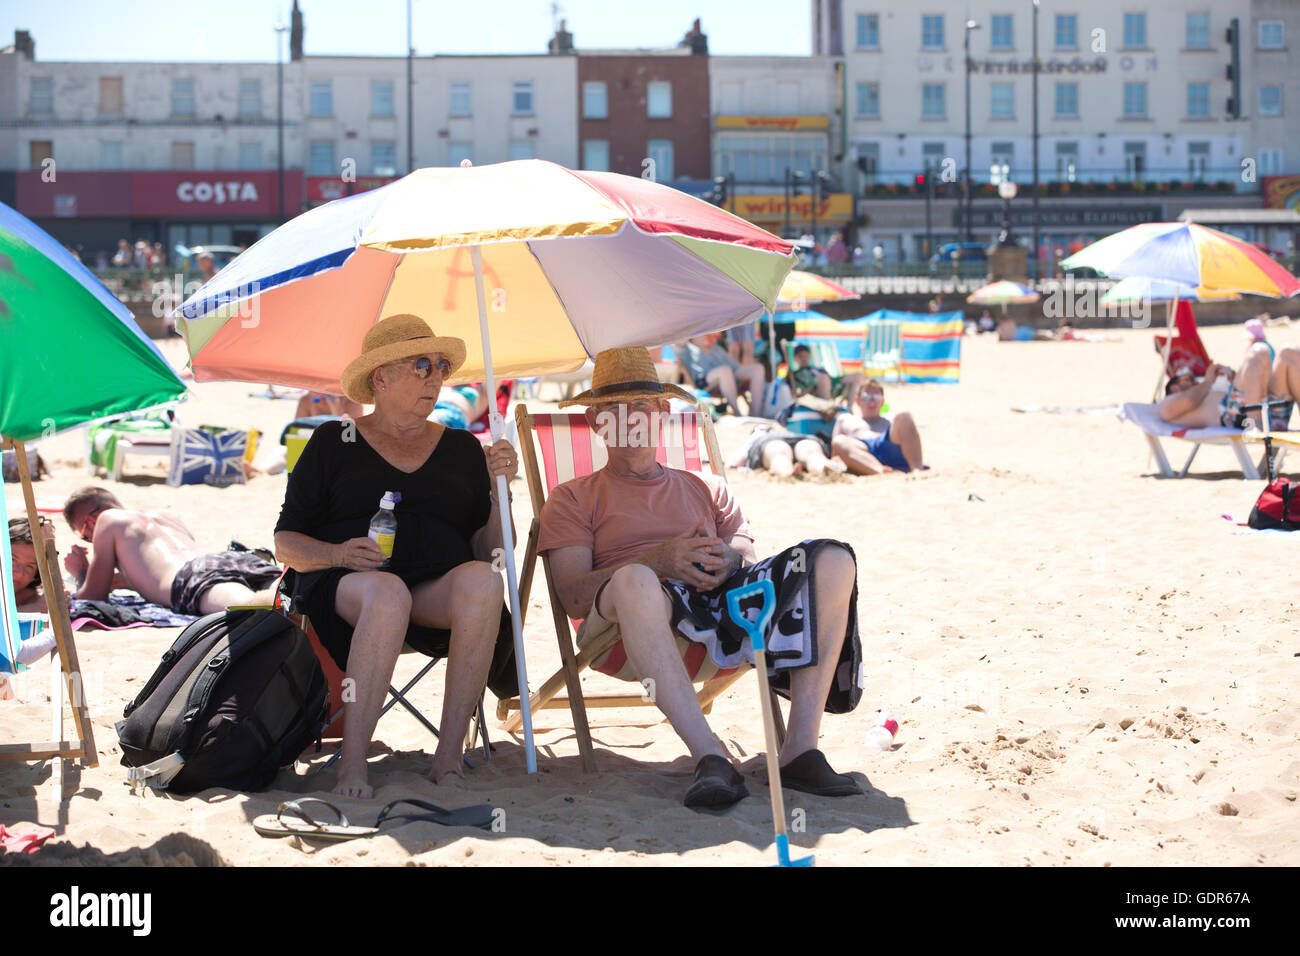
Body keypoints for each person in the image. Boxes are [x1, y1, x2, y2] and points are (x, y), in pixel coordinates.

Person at [538, 347, 863, 809]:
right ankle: (709, 754)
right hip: (626, 629)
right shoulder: (573, 498)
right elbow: (571, 596)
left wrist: (726, 563)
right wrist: (660, 560)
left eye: (643, 408)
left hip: (723, 620)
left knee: (830, 560)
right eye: (615, 411)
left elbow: (747, 556)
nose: (631, 419)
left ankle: (799, 750)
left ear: (664, 413)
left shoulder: (705, 486)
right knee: (635, 580)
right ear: (596, 422)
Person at [274, 314, 518, 798]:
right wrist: (340, 553)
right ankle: (353, 767)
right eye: (421, 365)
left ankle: (448, 761)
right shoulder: (333, 442)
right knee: (387, 593)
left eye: (442, 366)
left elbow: (490, 556)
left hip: (433, 590)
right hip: (349, 587)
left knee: (485, 584)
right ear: (380, 379)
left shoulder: (463, 448)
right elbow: (286, 544)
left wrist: (498, 494)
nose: (436, 378)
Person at [62, 488, 281, 613]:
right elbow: (152, 573)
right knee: (291, 597)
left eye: (83, 535)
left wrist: (82, 572)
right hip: (229, 560)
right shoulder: (164, 516)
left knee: (250, 609)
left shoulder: (107, 520)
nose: (89, 539)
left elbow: (93, 597)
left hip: (190, 578)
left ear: (90, 522)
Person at [1158, 339, 1300, 432]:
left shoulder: (1203, 391)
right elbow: (1189, 400)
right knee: (1259, 351)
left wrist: (1236, 379)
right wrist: (1208, 381)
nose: (1194, 380)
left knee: (1289, 353)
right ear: (1174, 387)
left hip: (1270, 410)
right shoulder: (1168, 404)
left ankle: (1259, 424)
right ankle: (1256, 427)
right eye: (1188, 379)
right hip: (1242, 419)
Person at [830, 380, 925, 475]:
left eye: (877, 397)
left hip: (888, 444)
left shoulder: (890, 419)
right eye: (866, 397)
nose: (871, 401)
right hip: (861, 451)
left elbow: (910, 434)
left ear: (882, 402)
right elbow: (835, 455)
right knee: (839, 441)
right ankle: (881, 471)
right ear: (857, 401)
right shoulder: (846, 420)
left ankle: (917, 469)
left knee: (904, 414)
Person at [678, 335, 767, 417]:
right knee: (725, 370)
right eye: (700, 333)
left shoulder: (716, 348)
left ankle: (756, 413)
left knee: (758, 368)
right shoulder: (688, 350)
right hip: (705, 380)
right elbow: (678, 342)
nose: (703, 335)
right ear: (692, 337)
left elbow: (735, 367)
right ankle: (738, 413)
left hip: (729, 374)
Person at [727, 423, 845, 477]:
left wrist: (736, 467)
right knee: (811, 453)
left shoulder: (754, 439)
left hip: (767, 442)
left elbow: (733, 463)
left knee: (779, 454)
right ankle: (823, 467)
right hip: (800, 438)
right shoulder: (784, 430)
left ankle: (786, 473)